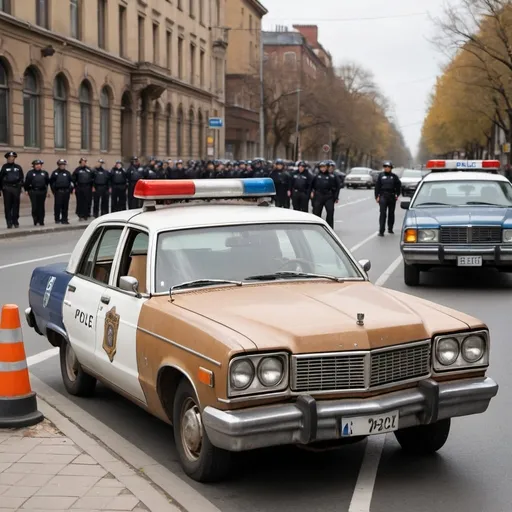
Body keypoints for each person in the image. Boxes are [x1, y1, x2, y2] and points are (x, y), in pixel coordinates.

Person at [375, 161, 401, 236]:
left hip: (392, 196)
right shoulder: (380, 176)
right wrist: (377, 196)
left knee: (391, 213)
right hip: (383, 196)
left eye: (388, 167)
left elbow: (398, 186)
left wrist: (397, 194)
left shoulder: (394, 176)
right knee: (383, 213)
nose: (386, 168)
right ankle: (381, 230)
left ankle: (390, 228)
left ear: (391, 168)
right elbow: (377, 186)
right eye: (385, 167)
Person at [311, 161, 339, 228]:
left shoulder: (332, 176)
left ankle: (329, 227)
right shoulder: (316, 176)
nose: (323, 169)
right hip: (318, 196)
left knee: (330, 211)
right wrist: (312, 193)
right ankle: (316, 227)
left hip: (328, 196)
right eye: (321, 167)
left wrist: (336, 197)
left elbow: (337, 187)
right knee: (316, 212)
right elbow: (311, 186)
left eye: (324, 167)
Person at [0, 151, 24, 229]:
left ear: (14, 158)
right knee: (8, 206)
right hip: (7, 188)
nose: (11, 159)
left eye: (12, 157)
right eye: (9, 158)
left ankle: (15, 221)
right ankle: (9, 222)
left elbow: (21, 178)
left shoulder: (18, 167)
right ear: (7, 158)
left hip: (16, 188)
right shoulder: (4, 167)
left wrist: (20, 186)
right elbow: (0, 179)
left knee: (16, 206)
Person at [24, 159, 50, 226]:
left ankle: (41, 221)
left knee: (41, 206)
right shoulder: (30, 173)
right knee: (35, 206)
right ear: (34, 166)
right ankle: (35, 220)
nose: (38, 166)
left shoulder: (44, 173)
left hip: (42, 191)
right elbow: (27, 182)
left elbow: (47, 183)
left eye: (39, 165)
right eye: (36, 165)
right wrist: (26, 190)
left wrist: (47, 191)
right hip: (33, 191)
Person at [50, 159, 73, 224]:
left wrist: (70, 190)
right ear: (58, 165)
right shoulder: (55, 173)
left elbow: (71, 182)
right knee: (57, 206)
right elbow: (51, 182)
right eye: (61, 164)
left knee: (65, 206)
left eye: (63, 165)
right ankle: (57, 219)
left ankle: (64, 219)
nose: (62, 166)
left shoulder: (67, 173)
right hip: (58, 192)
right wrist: (54, 191)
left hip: (66, 191)